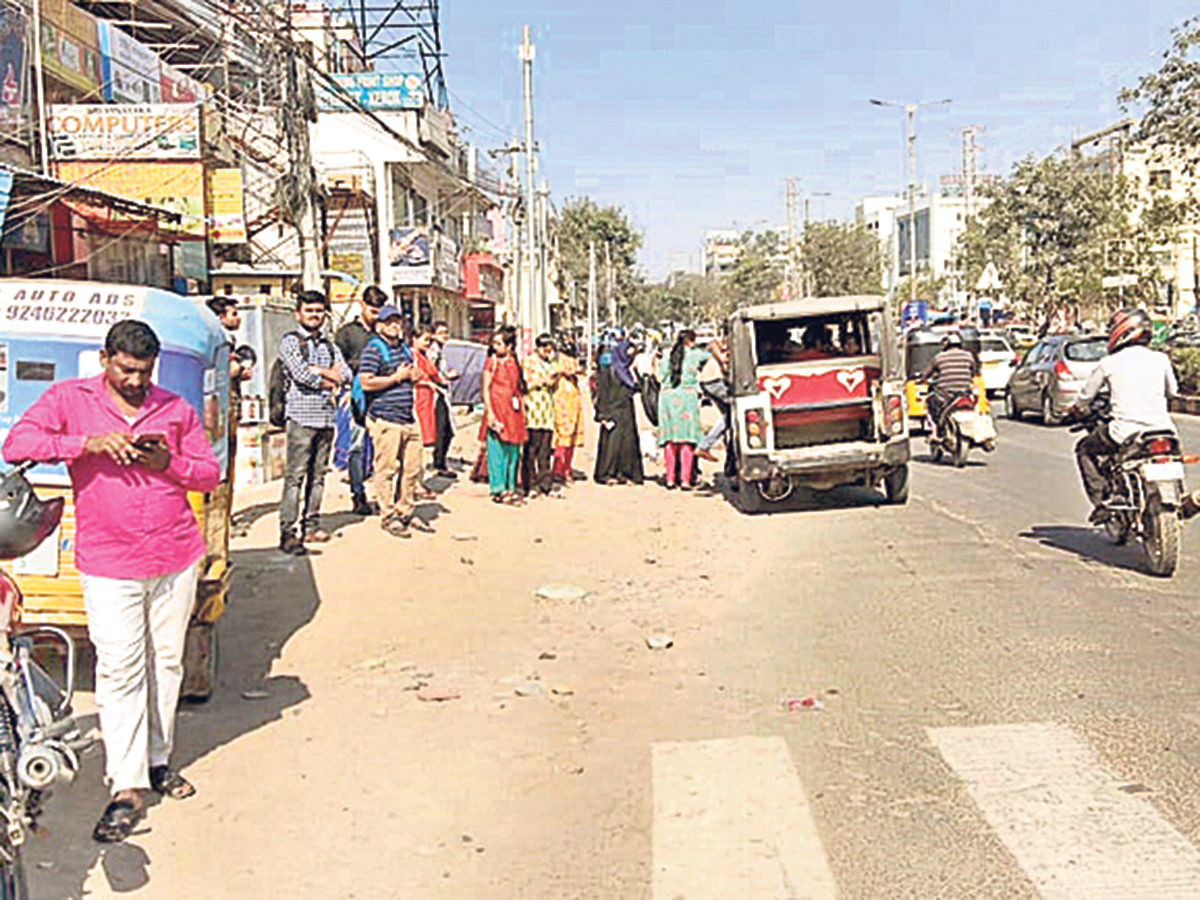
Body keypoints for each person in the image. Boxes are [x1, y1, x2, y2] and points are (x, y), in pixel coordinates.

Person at [3, 320, 220, 843]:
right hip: (108, 560)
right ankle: (126, 787)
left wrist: (170, 462)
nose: (135, 380)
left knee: (165, 662)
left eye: (144, 372)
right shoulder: (69, 398)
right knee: (121, 668)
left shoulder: (174, 408)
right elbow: (17, 444)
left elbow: (207, 473)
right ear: (106, 360)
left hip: (174, 553)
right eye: (126, 370)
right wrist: (89, 443)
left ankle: (156, 758)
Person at [1068, 309, 1177, 524]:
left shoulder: (1108, 363)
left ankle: (1102, 503)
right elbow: (1172, 391)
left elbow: (1085, 399)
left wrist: (1075, 410)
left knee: (1084, 449)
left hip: (1124, 433)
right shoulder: (1161, 359)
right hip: (1164, 430)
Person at [278, 290, 350, 555]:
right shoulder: (291, 342)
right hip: (300, 417)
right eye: (309, 311)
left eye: (319, 311)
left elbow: (346, 374)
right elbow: (301, 376)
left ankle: (311, 525)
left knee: (318, 477)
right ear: (299, 313)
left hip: (326, 418)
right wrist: (325, 375)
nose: (315, 315)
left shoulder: (330, 345)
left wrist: (323, 372)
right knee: (295, 477)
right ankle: (288, 531)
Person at [359, 306, 429, 538]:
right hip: (385, 417)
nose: (394, 326)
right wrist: (395, 378)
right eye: (389, 322)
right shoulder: (373, 350)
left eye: (397, 321)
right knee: (386, 470)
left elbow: (410, 375)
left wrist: (413, 376)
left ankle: (405, 510)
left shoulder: (404, 349)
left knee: (413, 468)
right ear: (379, 325)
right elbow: (366, 382)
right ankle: (388, 515)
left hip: (407, 416)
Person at [334, 285, 385, 515]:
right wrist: (344, 389)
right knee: (356, 446)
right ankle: (358, 495)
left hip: (382, 396)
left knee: (383, 448)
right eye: (373, 311)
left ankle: (385, 497)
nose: (376, 316)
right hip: (354, 397)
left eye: (379, 311)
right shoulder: (346, 333)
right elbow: (336, 363)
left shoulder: (383, 333)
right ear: (362, 305)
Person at [657, 329, 710, 490]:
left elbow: (659, 376)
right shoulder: (696, 355)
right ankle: (685, 480)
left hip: (667, 398)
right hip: (687, 396)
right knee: (687, 439)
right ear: (691, 341)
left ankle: (670, 479)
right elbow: (711, 356)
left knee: (670, 439)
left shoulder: (667, 356)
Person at [481, 327, 528, 504]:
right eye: (494, 343)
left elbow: (519, 387)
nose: (495, 347)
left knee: (513, 451)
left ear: (509, 346)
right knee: (497, 451)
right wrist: (490, 414)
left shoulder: (514, 362)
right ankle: (498, 489)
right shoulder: (491, 362)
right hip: (497, 409)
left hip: (513, 411)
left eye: (499, 343)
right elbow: (485, 389)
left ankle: (511, 486)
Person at [594, 345, 645, 485]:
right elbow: (602, 393)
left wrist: (634, 373)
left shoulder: (627, 372)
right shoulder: (608, 370)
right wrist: (602, 415)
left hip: (627, 411)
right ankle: (608, 474)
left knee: (628, 444)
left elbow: (639, 388)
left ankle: (626, 474)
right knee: (612, 445)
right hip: (611, 411)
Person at [410, 325, 445, 501]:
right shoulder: (412, 357)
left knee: (426, 445)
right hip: (417, 403)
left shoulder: (424, 357)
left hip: (428, 403)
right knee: (418, 446)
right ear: (414, 338)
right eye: (425, 340)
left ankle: (419, 481)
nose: (428, 343)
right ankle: (415, 484)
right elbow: (411, 379)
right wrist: (427, 384)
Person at [523, 334, 559, 496]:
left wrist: (551, 381)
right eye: (545, 349)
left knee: (545, 451)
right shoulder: (529, 362)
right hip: (533, 410)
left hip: (547, 411)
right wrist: (539, 381)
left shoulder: (551, 363)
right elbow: (524, 384)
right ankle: (530, 484)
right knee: (531, 450)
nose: (547, 352)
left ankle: (546, 484)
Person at [925, 332, 978, 439]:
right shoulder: (969, 356)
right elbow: (973, 372)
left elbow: (928, 373)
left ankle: (935, 432)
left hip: (945, 394)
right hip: (965, 392)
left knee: (930, 403)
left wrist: (922, 380)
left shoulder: (939, 357)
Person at [552, 337, 585, 485]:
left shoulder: (573, 359)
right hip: (562, 400)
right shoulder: (558, 359)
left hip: (573, 398)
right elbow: (562, 371)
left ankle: (567, 468)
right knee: (562, 437)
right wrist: (571, 370)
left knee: (572, 438)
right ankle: (558, 470)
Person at [428, 321, 459, 478]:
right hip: (436, 393)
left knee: (448, 430)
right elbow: (431, 371)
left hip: (443, 392)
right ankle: (438, 463)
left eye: (446, 332)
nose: (444, 336)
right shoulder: (433, 352)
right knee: (442, 429)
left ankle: (440, 461)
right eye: (441, 333)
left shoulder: (441, 351)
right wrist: (445, 378)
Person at [696, 338, 730, 465]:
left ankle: (706, 446)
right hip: (713, 380)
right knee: (732, 412)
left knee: (728, 416)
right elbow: (713, 344)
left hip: (711, 382)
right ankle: (704, 446)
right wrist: (723, 359)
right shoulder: (721, 345)